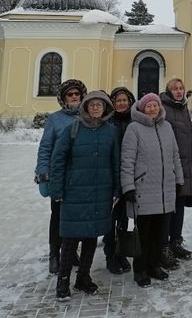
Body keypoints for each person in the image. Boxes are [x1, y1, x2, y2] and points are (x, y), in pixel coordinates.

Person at [49, 91, 120, 301]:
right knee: (70, 238)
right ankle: (63, 280)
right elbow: (58, 160)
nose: (96, 108)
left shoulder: (111, 131)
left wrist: (117, 189)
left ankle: (83, 277)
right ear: (86, 107)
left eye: (100, 105)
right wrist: (57, 190)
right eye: (92, 105)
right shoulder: (73, 129)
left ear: (105, 108)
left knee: (91, 236)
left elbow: (115, 162)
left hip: (101, 191)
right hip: (75, 191)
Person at [121, 93, 184, 287]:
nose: (152, 109)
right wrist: (128, 186)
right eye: (148, 106)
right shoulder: (134, 128)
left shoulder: (167, 127)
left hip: (165, 189)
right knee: (144, 234)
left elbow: (175, 155)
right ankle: (140, 269)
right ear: (142, 108)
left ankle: (155, 265)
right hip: (144, 189)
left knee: (160, 233)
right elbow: (127, 160)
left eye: (155, 105)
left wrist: (179, 179)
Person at [34, 79, 87, 274]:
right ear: (63, 98)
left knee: (76, 218)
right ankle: (54, 254)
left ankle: (70, 251)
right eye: (70, 94)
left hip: (80, 178)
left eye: (77, 94)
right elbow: (46, 147)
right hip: (60, 176)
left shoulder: (87, 116)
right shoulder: (55, 119)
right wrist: (42, 174)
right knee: (58, 217)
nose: (74, 97)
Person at [160, 78, 192, 261]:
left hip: (184, 164)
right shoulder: (163, 108)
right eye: (175, 89)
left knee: (179, 205)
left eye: (181, 88)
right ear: (168, 91)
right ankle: (164, 245)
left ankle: (176, 241)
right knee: (168, 208)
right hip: (169, 165)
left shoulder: (183, 108)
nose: (179, 91)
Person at [103, 87, 136, 274]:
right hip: (111, 176)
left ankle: (121, 252)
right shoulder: (107, 122)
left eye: (125, 100)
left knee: (124, 217)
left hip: (129, 176)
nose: (122, 103)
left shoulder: (134, 121)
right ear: (113, 103)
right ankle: (110, 255)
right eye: (118, 100)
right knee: (111, 218)